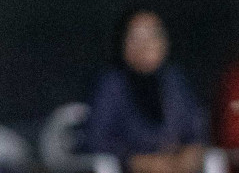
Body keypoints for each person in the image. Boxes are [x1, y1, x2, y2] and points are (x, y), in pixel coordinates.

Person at [87, 9, 208, 173]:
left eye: (153, 35)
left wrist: (191, 151)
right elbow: (97, 138)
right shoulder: (112, 84)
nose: (146, 44)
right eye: (136, 37)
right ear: (123, 44)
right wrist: (135, 160)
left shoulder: (174, 80)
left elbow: (194, 127)